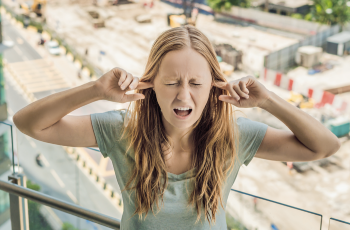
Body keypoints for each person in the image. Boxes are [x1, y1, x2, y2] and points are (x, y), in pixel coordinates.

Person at [13, 26, 340, 229]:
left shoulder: (235, 137)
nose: (184, 95)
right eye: (171, 82)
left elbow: (324, 146)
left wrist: (268, 100)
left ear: (214, 85)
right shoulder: (120, 131)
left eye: (196, 83)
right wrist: (96, 90)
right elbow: (28, 123)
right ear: (151, 83)